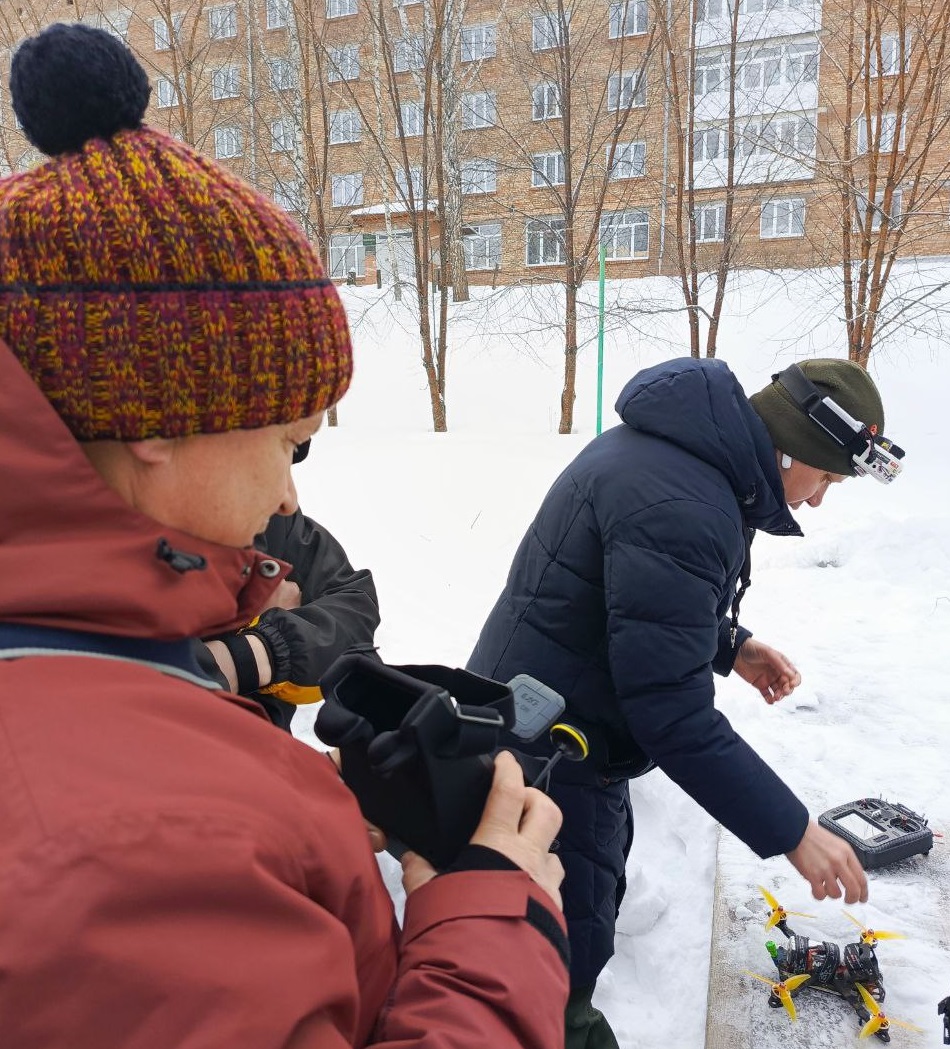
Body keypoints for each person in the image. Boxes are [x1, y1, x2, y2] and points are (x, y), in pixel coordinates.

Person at [0, 23, 567, 1049]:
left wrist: (303, 858)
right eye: (288, 443)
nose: (289, 494)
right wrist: (490, 927)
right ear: (154, 421)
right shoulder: (136, 849)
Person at [467, 354, 904, 1049]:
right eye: (825, 478)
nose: (819, 499)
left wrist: (728, 644)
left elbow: (635, 602)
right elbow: (671, 715)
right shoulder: (685, 501)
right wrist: (794, 830)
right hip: (550, 757)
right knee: (554, 960)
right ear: (791, 449)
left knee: (574, 931)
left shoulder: (681, 460)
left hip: (558, 728)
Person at [198, 507, 381, 732]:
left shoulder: (274, 516)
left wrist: (260, 650)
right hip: (182, 752)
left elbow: (355, 607)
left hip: (265, 749)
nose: (289, 497)